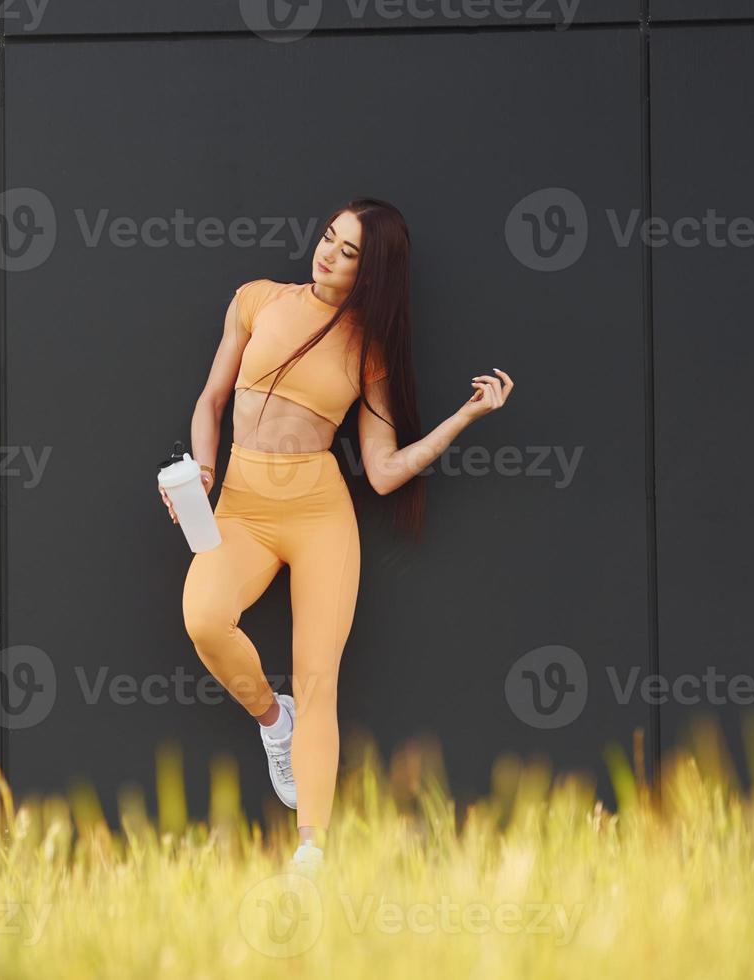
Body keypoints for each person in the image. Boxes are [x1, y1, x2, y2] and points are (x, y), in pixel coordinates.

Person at [157, 198, 514, 869]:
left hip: (319, 514)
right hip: (241, 503)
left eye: (349, 252)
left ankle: (310, 855)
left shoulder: (368, 350)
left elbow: (382, 473)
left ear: (371, 274)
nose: (327, 254)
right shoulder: (256, 300)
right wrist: (200, 470)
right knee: (205, 619)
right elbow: (211, 400)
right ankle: (272, 719)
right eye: (328, 238)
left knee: (321, 679)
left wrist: (463, 419)